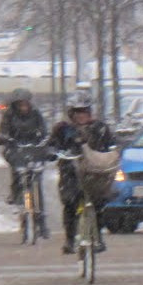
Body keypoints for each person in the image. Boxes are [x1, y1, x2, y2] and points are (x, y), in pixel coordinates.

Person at [48, 92, 116, 255]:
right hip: (70, 171)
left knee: (99, 203)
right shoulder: (62, 129)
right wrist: (53, 152)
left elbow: (112, 144)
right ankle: (70, 239)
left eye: (85, 112)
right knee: (70, 203)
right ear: (72, 114)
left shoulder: (100, 128)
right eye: (78, 112)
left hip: (95, 172)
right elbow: (52, 145)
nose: (82, 116)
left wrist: (112, 152)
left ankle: (98, 236)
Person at [0, 88, 48, 210]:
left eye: (25, 104)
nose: (23, 107)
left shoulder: (36, 113)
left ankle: (39, 211)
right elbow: (2, 131)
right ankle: (17, 195)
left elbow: (44, 130)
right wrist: (5, 138)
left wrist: (44, 141)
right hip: (15, 147)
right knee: (17, 170)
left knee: (36, 175)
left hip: (34, 148)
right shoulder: (9, 114)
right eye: (20, 104)